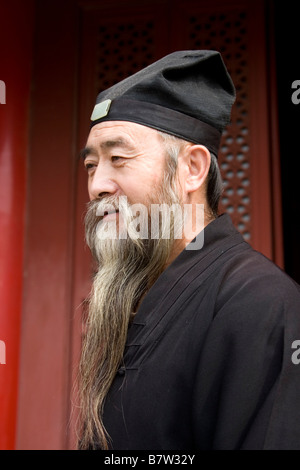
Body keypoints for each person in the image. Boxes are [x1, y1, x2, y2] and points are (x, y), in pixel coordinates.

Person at [77, 50, 300, 450]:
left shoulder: (261, 302)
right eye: (92, 165)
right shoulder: (133, 296)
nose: (97, 186)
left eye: (118, 158)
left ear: (192, 169)